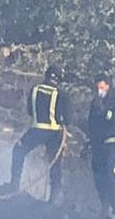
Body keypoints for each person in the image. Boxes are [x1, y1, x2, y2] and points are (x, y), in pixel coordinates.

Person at [8, 66, 69, 203]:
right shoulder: (62, 95)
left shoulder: (34, 90)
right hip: (55, 134)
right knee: (54, 164)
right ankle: (53, 199)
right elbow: (68, 119)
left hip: (37, 130)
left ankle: (14, 185)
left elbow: (30, 111)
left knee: (18, 151)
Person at [86, 74, 115, 217]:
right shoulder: (95, 104)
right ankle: (105, 207)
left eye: (102, 87)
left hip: (113, 145)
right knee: (99, 176)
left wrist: (104, 114)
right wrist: (90, 142)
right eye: (97, 88)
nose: (100, 91)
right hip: (99, 146)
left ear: (108, 86)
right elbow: (91, 124)